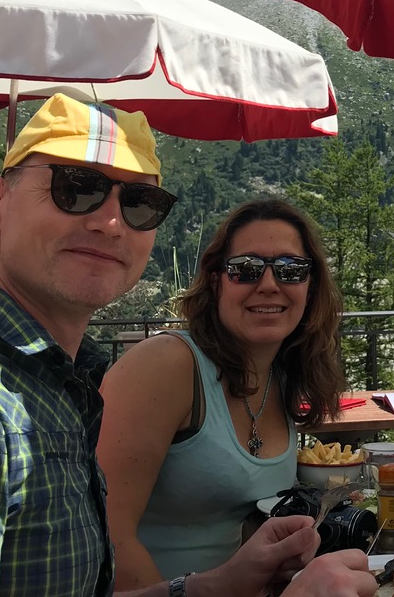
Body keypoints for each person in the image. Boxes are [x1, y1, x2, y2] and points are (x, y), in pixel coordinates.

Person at [0, 94, 373, 597]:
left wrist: (219, 583)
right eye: (77, 188)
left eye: (140, 204)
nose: (110, 222)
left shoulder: (52, 384)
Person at [98, 198, 345, 586]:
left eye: (290, 270)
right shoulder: (167, 365)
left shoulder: (280, 376)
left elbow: (231, 525)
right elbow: (106, 536)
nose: (268, 285)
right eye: (245, 270)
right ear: (216, 281)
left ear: (310, 287)